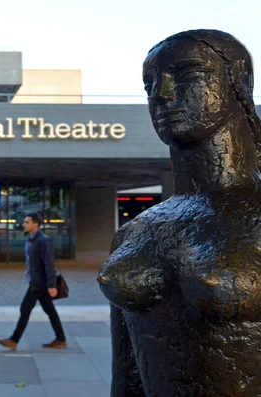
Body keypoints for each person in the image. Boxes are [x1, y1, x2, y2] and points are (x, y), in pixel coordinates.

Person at [98, 30, 261, 396]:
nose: (161, 93)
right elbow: (126, 373)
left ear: (239, 84)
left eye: (188, 75)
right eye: (149, 84)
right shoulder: (135, 232)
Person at [0, 212, 66, 350]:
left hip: (39, 283)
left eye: (27, 222)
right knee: (50, 310)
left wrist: (52, 285)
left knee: (25, 308)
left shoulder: (43, 240)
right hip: (35, 279)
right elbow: (32, 259)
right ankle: (61, 339)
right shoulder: (30, 239)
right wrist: (29, 269)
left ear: (35, 224)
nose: (24, 224)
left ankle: (14, 340)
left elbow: (49, 264)